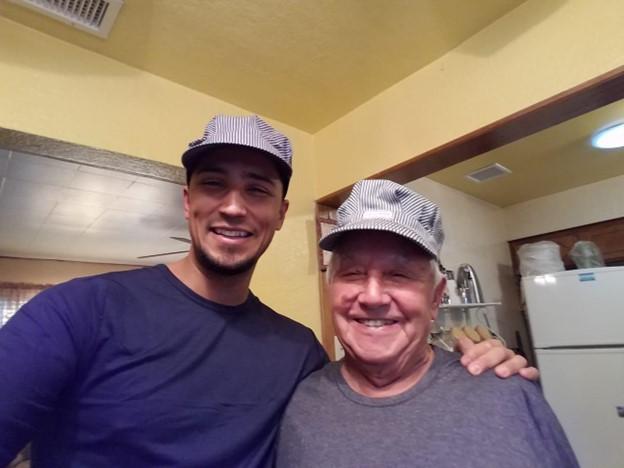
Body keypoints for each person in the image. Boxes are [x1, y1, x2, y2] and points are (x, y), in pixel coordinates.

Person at [0, 116, 535, 467]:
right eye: (215, 184)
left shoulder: (299, 353)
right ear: (188, 202)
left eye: (257, 189)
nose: (234, 206)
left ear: (279, 214)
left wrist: (479, 361)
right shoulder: (77, 311)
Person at [276, 179, 579, 468]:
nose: (372, 297)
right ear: (331, 289)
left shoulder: (508, 397)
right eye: (352, 272)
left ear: (435, 298)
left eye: (399, 274)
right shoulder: (301, 400)